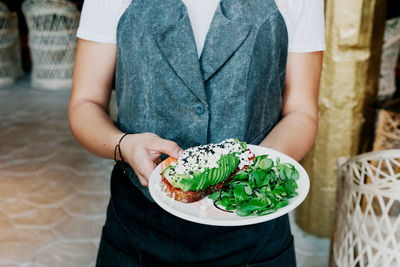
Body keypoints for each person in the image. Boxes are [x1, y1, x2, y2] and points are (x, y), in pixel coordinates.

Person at [69, 0, 325, 266]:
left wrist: (252, 166)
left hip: (255, 233)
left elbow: (301, 112)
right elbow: (85, 103)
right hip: (138, 229)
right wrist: (123, 145)